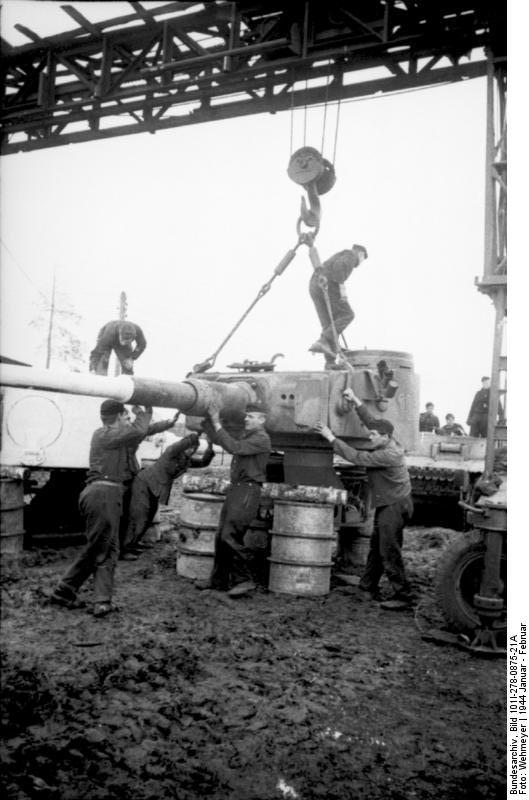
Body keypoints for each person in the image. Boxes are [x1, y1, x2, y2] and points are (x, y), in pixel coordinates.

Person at [48, 400, 154, 618]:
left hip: (107, 495)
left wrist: (158, 420)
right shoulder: (105, 434)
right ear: (118, 416)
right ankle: (73, 593)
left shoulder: (111, 435)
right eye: (125, 416)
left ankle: (89, 598)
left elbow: (142, 431)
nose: (128, 420)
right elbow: (138, 430)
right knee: (101, 548)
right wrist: (145, 410)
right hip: (103, 495)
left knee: (106, 548)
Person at [315, 399, 414, 610]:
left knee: (389, 550)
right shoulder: (387, 440)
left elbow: (357, 457)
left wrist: (331, 437)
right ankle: (367, 587)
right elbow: (371, 421)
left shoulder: (388, 454)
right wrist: (356, 400)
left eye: (373, 435)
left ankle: (404, 595)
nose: (369, 436)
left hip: (394, 506)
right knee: (377, 547)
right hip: (391, 503)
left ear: (385, 437)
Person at [197, 403, 272, 597]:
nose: (246, 419)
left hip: (247, 491)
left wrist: (216, 421)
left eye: (251, 416)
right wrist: (208, 423)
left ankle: (245, 580)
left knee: (231, 536)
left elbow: (233, 447)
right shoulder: (250, 436)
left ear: (262, 420)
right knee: (221, 536)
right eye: (246, 415)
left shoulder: (261, 438)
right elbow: (223, 441)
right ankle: (219, 580)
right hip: (237, 489)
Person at [122, 433, 215, 558]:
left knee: (149, 516)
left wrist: (210, 445)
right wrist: (196, 434)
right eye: (189, 447)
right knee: (139, 516)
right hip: (144, 483)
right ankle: (124, 549)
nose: (191, 451)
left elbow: (204, 462)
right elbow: (179, 445)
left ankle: (134, 543)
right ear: (183, 447)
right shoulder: (171, 453)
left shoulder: (186, 461)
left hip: (154, 488)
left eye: (194, 449)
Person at [119, 409, 182, 560]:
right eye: (127, 419)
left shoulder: (129, 432)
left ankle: (130, 544)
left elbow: (148, 429)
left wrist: (168, 423)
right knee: (124, 516)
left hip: (130, 475)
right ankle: (123, 549)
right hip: (121, 477)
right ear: (118, 419)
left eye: (130, 419)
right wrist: (142, 412)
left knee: (132, 513)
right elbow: (143, 429)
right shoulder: (121, 434)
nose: (129, 422)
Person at [308, 244, 368, 369]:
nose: (361, 262)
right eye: (363, 259)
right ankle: (324, 340)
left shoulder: (342, 254)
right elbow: (339, 267)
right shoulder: (351, 255)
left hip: (314, 285)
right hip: (328, 284)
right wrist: (342, 289)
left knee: (330, 325)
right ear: (361, 254)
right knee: (347, 315)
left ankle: (330, 361)